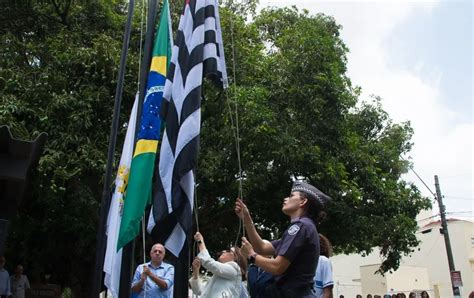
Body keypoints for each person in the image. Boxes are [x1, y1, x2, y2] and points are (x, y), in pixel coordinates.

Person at [235, 181, 331, 298]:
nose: (286, 199)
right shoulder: (304, 227)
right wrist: (247, 219)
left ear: (303, 201)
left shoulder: (300, 227)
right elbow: (262, 248)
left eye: (291, 196)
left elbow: (277, 267)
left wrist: (251, 255)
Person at [189, 231, 247, 298]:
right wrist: (196, 272)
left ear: (236, 257)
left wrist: (200, 241)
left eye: (228, 250)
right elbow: (199, 291)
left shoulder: (235, 269)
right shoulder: (219, 275)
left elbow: (209, 263)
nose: (224, 251)